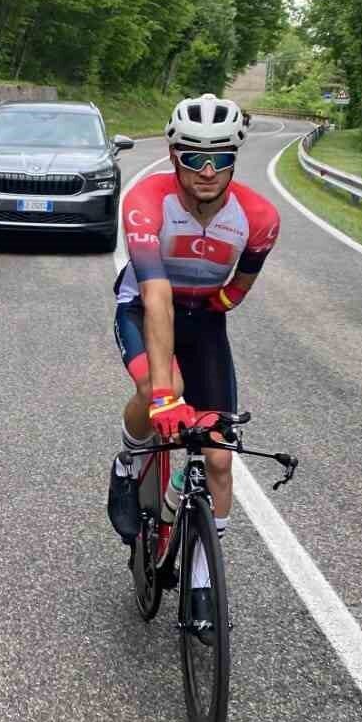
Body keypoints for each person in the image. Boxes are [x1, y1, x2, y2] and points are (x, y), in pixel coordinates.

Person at [107, 95, 280, 627]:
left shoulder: (259, 218)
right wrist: (164, 395)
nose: (207, 171)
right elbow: (155, 295)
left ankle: (204, 579)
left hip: (204, 319)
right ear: (174, 155)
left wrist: (213, 307)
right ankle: (130, 460)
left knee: (220, 454)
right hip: (144, 306)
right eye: (194, 157)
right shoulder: (146, 201)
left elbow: (241, 287)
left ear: (235, 159)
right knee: (162, 388)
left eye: (221, 158)